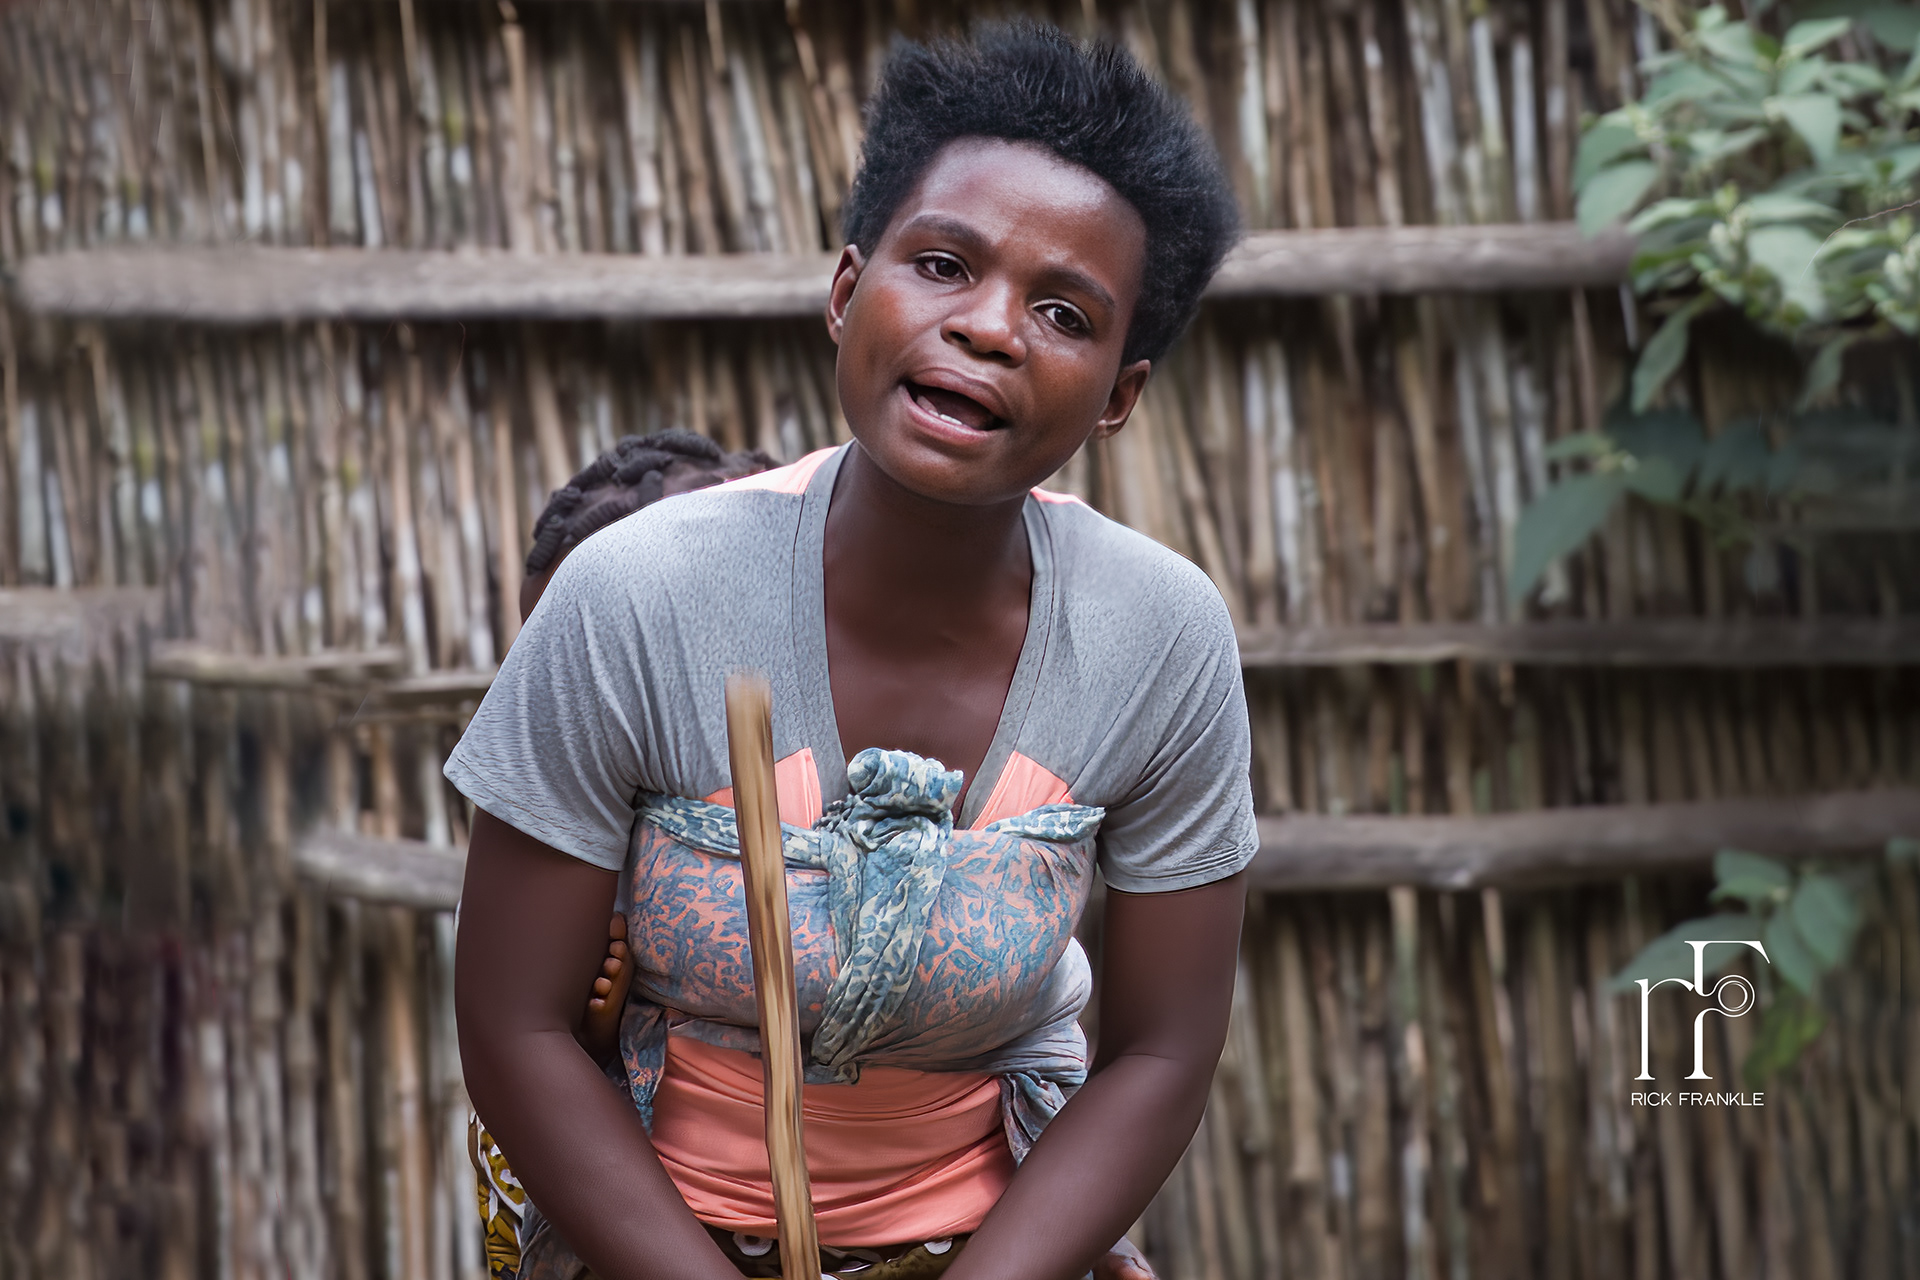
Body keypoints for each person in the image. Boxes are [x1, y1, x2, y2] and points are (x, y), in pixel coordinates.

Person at [448, 21, 1250, 1280]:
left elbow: (1162, 1050)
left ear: (1118, 394)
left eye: (1062, 310)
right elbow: (511, 1020)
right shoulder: (641, 595)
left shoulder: (1160, 637)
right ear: (845, 291)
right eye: (941, 264)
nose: (990, 327)